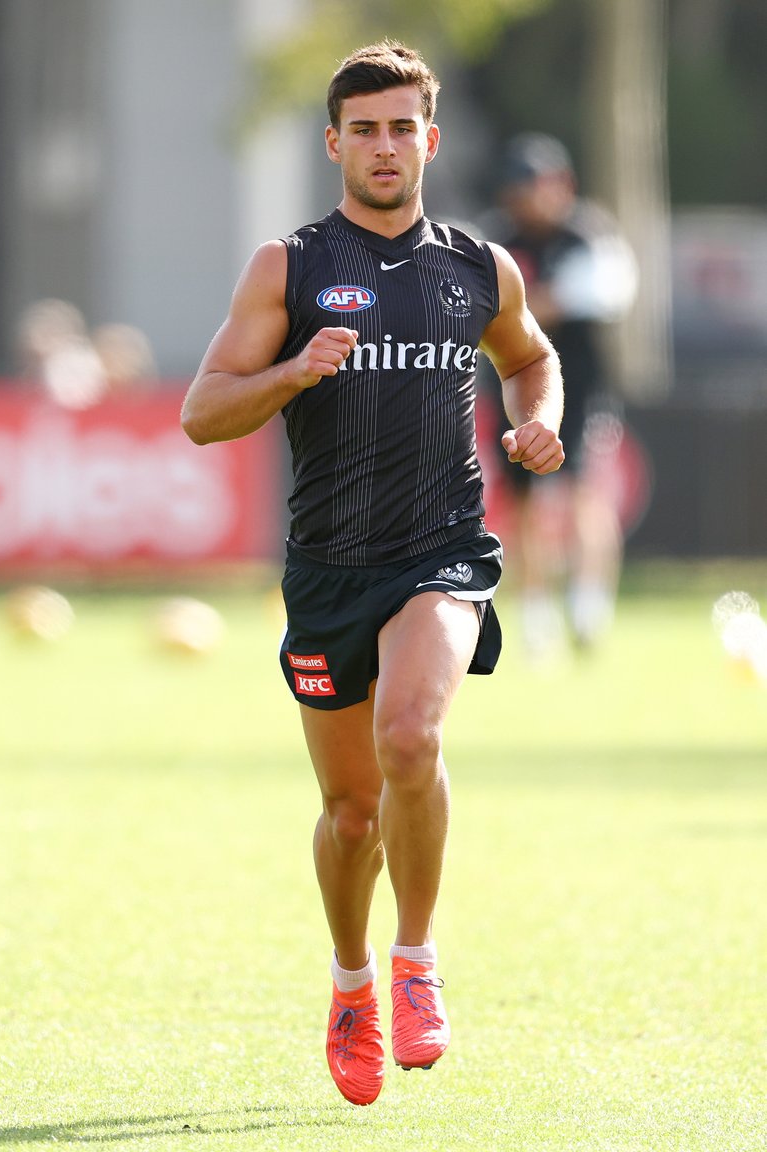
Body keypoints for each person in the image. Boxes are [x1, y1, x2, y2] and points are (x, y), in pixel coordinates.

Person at [181, 42, 564, 1107]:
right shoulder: (289, 267)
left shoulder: (479, 267)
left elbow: (531, 355)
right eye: (367, 130)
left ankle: (417, 959)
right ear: (335, 144)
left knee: (411, 736)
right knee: (351, 812)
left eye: (404, 128)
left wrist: (539, 421)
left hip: (442, 553)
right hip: (327, 571)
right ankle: (352, 979)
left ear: (430, 140)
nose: (386, 146)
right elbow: (203, 413)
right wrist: (294, 369)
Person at [478, 133, 638, 658]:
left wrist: (536, 304)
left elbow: (604, 291)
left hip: (582, 388)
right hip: (514, 388)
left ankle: (588, 609)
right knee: (523, 502)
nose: (527, 198)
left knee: (585, 492)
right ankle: (538, 617)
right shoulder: (496, 241)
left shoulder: (587, 238)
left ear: (561, 185)